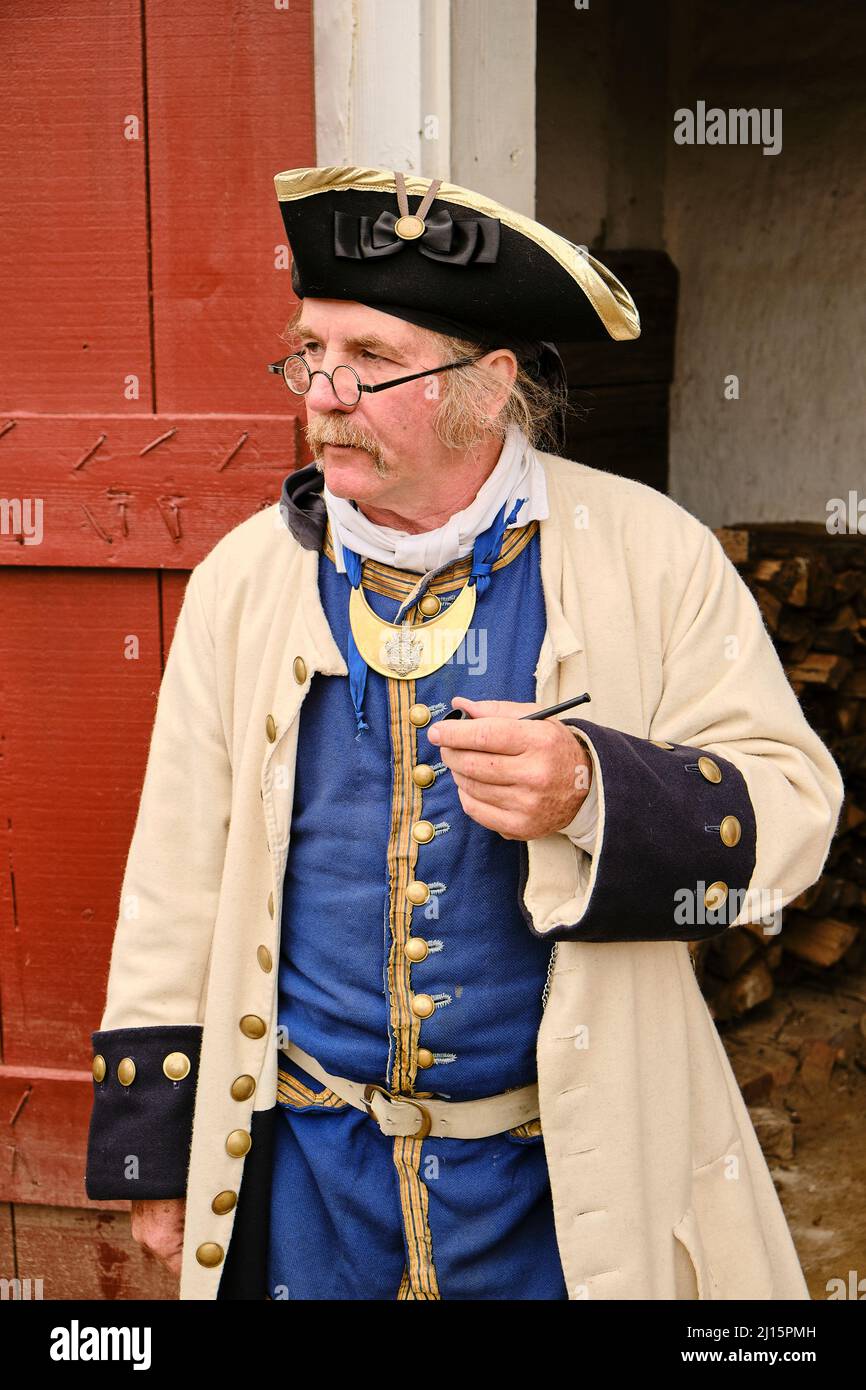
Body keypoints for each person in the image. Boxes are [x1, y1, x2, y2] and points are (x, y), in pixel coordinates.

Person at [85, 165, 844, 1300]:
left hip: (559, 1188)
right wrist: (153, 1155)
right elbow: (173, 877)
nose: (324, 393)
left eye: (373, 361)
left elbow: (790, 811)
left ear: (488, 390)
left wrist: (593, 788)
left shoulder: (650, 552)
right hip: (306, 1186)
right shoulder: (243, 580)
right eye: (310, 353)